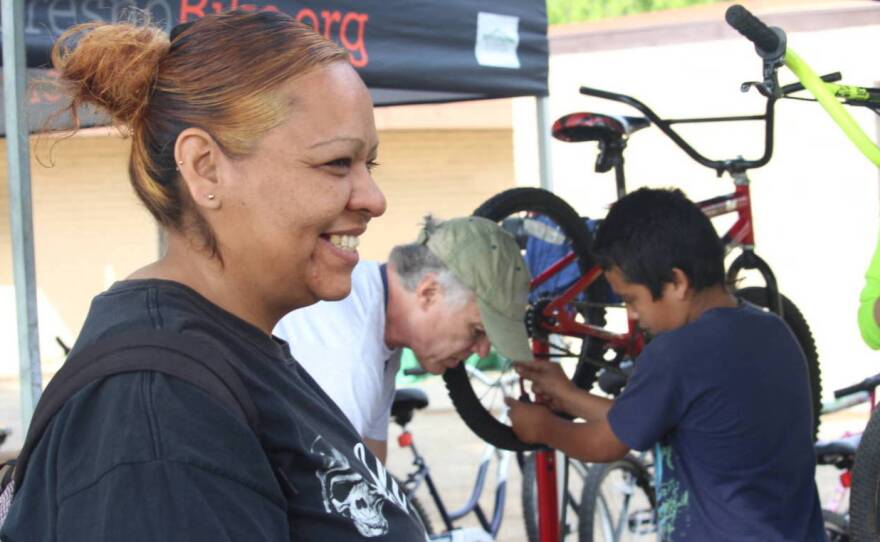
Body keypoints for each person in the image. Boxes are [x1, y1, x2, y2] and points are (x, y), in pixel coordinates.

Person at [1, 11, 429, 541]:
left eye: (372, 166)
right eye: (337, 163)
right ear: (204, 167)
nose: (374, 200)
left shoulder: (229, 352)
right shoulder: (158, 409)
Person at [505, 188, 825, 541]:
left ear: (677, 283)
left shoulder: (676, 353)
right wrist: (567, 395)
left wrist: (543, 428)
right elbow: (646, 417)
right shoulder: (772, 330)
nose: (632, 314)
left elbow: (605, 443)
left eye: (631, 299)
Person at [274, 215, 533, 462]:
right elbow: (327, 495)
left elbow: (372, 465)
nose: (484, 351)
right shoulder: (349, 359)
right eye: (477, 330)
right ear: (429, 292)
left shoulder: (374, 307)